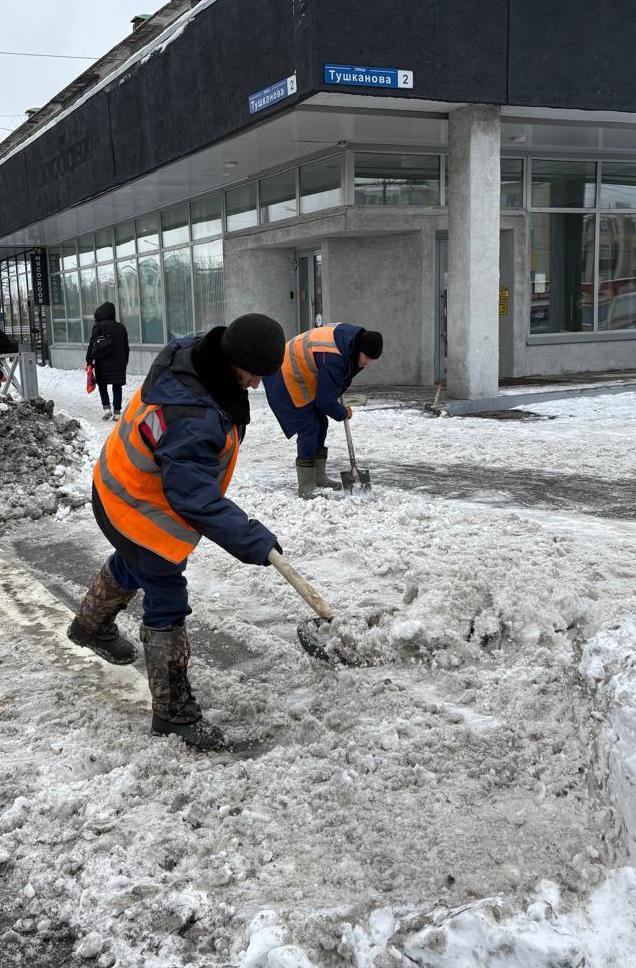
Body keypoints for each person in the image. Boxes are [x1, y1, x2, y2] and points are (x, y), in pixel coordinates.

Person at [68, 314, 285, 752]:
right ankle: (173, 713)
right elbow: (195, 498)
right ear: (233, 359)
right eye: (253, 375)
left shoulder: (199, 354)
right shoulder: (192, 412)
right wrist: (252, 540)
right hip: (135, 503)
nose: (256, 386)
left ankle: (90, 625)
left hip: (118, 483)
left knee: (136, 564)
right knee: (166, 594)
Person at [263, 323, 383, 498]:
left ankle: (319, 477)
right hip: (283, 377)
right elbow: (325, 401)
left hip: (300, 374)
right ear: (359, 349)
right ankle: (306, 485)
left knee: (321, 422)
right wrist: (342, 412)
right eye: (366, 358)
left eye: (371, 360)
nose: (367, 363)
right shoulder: (335, 358)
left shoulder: (351, 341)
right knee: (309, 427)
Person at [86, 301, 129, 420]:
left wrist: (89, 360)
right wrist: (125, 361)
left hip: (102, 362)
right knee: (117, 386)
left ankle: (106, 408)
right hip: (118, 363)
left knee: (102, 385)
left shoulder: (98, 327)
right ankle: (117, 412)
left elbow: (92, 345)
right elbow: (126, 347)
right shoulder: (121, 327)